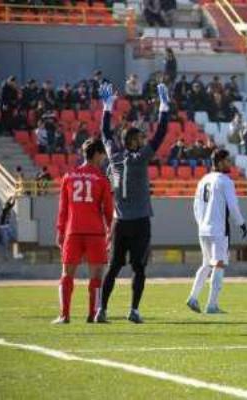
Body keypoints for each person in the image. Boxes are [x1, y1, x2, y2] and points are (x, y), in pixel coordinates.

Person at [95, 81, 170, 324]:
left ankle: (102, 310)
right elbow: (160, 134)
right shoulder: (140, 159)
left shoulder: (114, 157)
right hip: (139, 222)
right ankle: (134, 310)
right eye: (139, 138)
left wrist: (107, 107)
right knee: (139, 268)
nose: (143, 139)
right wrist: (164, 107)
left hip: (120, 222)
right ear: (133, 142)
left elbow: (105, 133)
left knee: (114, 267)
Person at [52, 138, 113, 324]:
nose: (104, 158)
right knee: (97, 277)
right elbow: (108, 210)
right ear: (96, 154)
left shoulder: (69, 176)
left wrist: (60, 232)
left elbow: (63, 209)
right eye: (103, 154)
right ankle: (94, 315)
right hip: (95, 233)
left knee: (67, 274)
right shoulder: (102, 179)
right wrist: (110, 233)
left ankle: (64, 315)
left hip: (73, 232)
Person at [186, 149, 247, 314]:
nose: (230, 164)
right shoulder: (225, 181)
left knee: (206, 264)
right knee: (218, 264)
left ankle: (193, 297)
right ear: (220, 162)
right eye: (227, 161)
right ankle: (212, 305)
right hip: (218, 229)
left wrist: (201, 224)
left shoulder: (203, 180)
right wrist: (241, 223)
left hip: (204, 229)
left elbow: (196, 206)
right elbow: (233, 205)